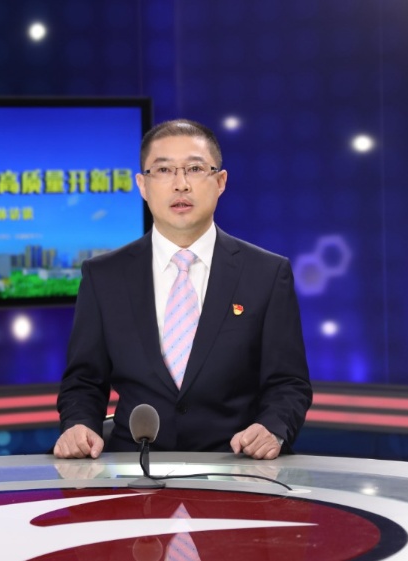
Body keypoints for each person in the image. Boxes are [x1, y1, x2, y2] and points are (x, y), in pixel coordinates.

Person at [54, 119, 311, 460]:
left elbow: (288, 383)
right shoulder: (104, 276)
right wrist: (79, 425)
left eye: (195, 168)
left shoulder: (267, 273)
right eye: (163, 170)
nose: (181, 184)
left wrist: (272, 429)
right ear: (142, 185)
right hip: (134, 468)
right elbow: (84, 381)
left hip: (238, 467)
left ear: (220, 181)